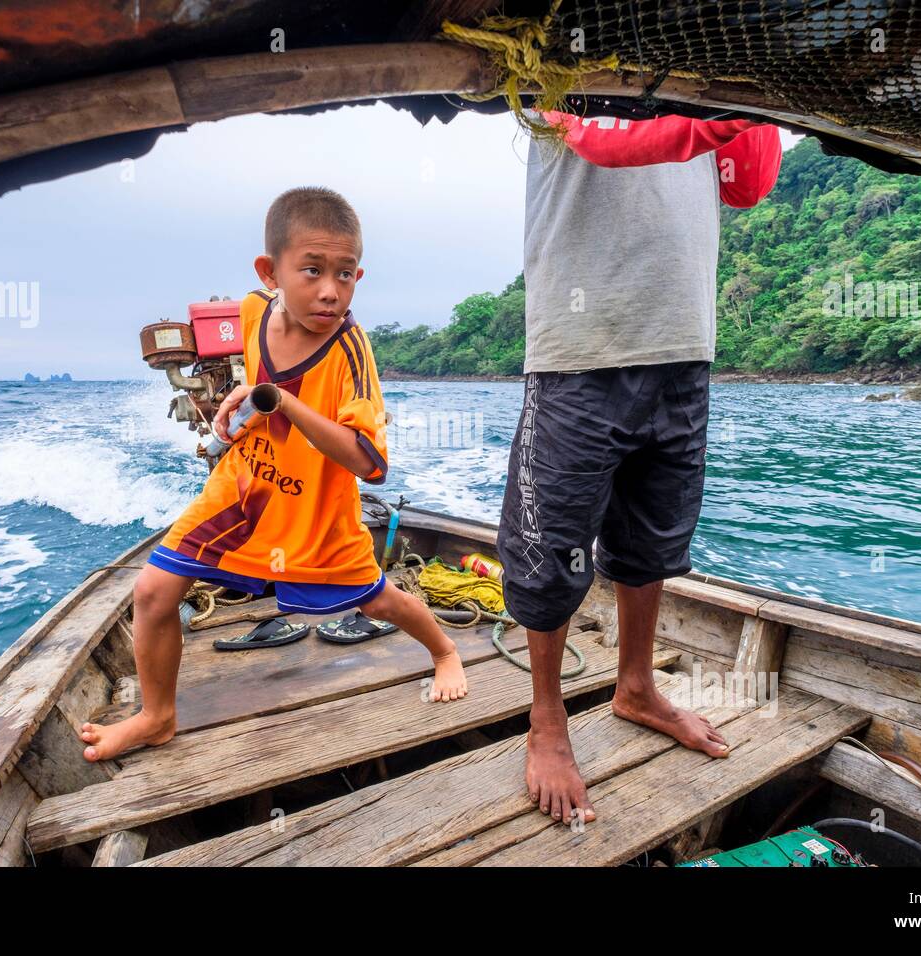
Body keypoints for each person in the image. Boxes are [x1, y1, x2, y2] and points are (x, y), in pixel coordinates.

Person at [81, 186, 468, 762]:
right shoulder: (253, 311)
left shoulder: (351, 352)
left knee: (377, 601)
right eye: (311, 270)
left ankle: (444, 652)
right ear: (271, 272)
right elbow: (260, 379)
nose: (330, 290)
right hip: (242, 487)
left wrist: (282, 404)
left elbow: (370, 462)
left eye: (345, 274)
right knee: (154, 591)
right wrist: (245, 399)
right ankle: (157, 716)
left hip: (316, 509)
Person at [497, 111, 783, 824]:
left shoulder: (700, 76)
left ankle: (636, 687)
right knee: (551, 548)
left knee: (653, 539)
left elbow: (749, 184)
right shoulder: (557, 56)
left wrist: (743, 94)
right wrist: (726, 109)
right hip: (579, 350)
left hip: (683, 343)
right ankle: (547, 718)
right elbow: (611, 139)